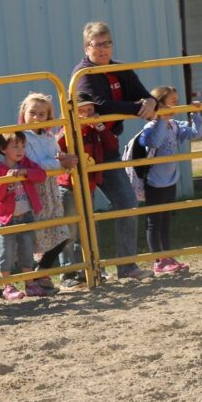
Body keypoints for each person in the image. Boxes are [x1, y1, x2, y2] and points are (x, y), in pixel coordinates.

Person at [71, 21, 156, 280]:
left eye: (107, 43)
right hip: (81, 149)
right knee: (82, 211)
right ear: (86, 47)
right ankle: (81, 272)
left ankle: (127, 266)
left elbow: (143, 96)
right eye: (97, 44)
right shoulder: (82, 73)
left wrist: (151, 101)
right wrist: (137, 108)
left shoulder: (121, 70)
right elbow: (100, 105)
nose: (103, 49)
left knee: (127, 202)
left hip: (107, 146)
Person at [136, 86, 202, 275]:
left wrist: (195, 114)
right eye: (173, 101)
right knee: (154, 222)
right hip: (154, 181)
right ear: (161, 104)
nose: (177, 104)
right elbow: (154, 142)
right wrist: (161, 120)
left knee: (165, 221)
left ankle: (168, 256)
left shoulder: (175, 125)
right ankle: (158, 260)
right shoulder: (150, 127)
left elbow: (196, 134)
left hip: (170, 180)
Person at [56, 92, 118, 289]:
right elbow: (57, 145)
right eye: (82, 110)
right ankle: (68, 274)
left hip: (88, 184)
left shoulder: (95, 131)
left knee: (89, 229)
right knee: (70, 230)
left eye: (90, 109)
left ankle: (91, 268)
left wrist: (100, 126)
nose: (88, 114)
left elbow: (112, 145)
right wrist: (75, 126)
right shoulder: (66, 130)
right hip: (69, 185)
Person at [18, 92, 75, 290]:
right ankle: (38, 277)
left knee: (61, 233)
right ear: (23, 113)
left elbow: (52, 162)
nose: (36, 117)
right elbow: (34, 164)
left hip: (51, 190)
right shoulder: (23, 137)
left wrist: (61, 161)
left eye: (42, 114)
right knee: (39, 236)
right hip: (34, 192)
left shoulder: (50, 137)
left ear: (49, 118)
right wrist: (60, 162)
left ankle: (41, 271)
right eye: (32, 112)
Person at [0, 132, 47, 300]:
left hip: (26, 215)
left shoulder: (26, 164)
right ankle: (7, 286)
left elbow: (41, 175)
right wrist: (5, 181)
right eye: (15, 146)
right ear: (3, 149)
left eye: (23, 146)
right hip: (7, 219)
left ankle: (30, 283)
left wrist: (26, 172)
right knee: (6, 252)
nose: (21, 150)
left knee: (27, 250)